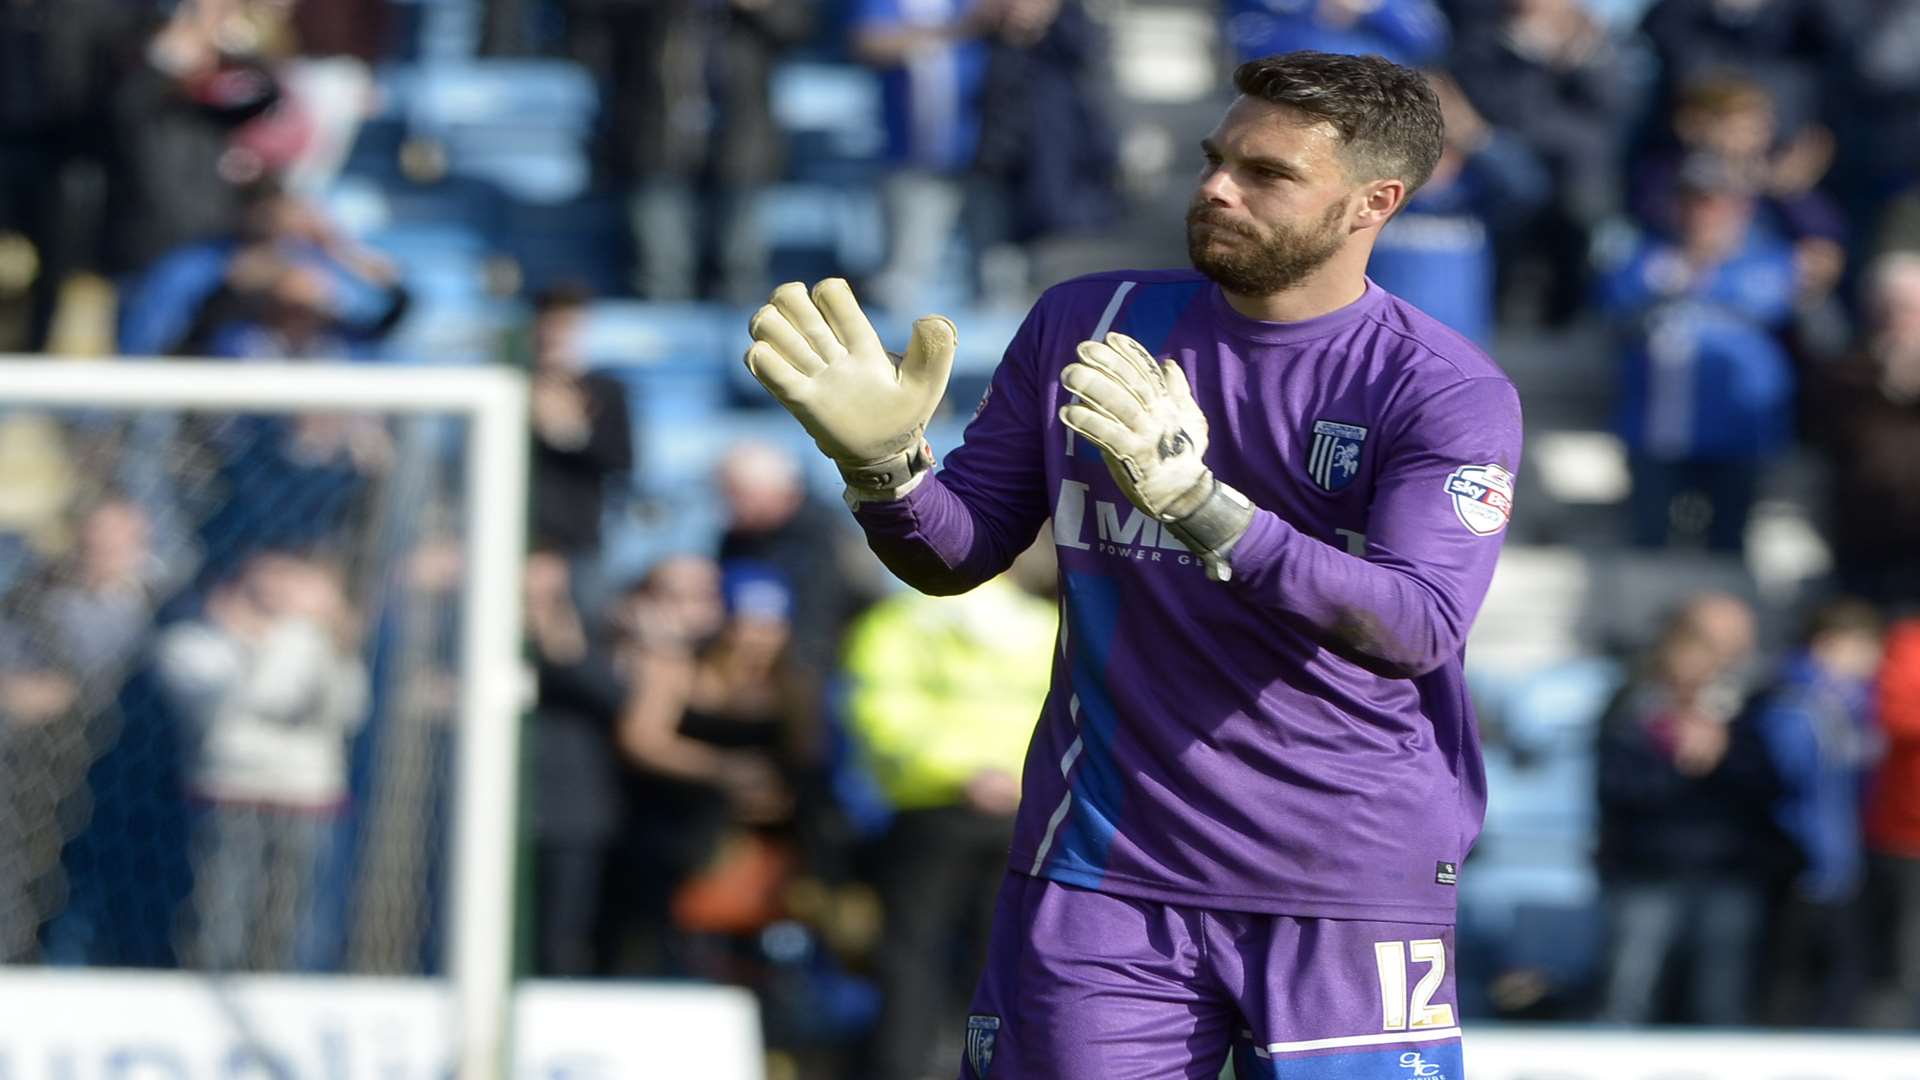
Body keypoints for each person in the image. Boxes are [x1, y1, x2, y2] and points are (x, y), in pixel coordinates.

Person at [744, 50, 1523, 1078]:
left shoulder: (1440, 389)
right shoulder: (1091, 323)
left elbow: (1417, 625)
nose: (1216, 187)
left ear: (1371, 204)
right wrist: (886, 471)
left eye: (1268, 174)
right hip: (1103, 870)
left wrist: (1206, 510)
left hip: (1342, 875)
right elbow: (958, 550)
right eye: (1216, 158)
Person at [846, 538, 1058, 1080]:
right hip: (1023, 809)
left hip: (932, 807)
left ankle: (902, 1069)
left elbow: (878, 715)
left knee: (910, 955)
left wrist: (960, 773)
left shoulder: (898, 621)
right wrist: (1014, 779)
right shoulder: (1046, 625)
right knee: (1006, 956)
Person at [1593, 592, 1777, 1025]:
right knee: (1629, 990)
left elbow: (1767, 788)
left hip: (1725, 870)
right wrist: (1674, 762)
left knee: (1721, 993)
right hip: (1648, 872)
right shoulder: (1631, 711)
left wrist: (1724, 753)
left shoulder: (1741, 714)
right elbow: (1617, 789)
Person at [1752, 598, 1884, 1027]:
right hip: (1801, 859)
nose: (1873, 660)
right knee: (1792, 974)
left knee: (1842, 974)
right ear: (1828, 645)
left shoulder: (1853, 705)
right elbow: (1792, 775)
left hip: (1840, 859)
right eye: (1863, 647)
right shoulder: (1793, 701)